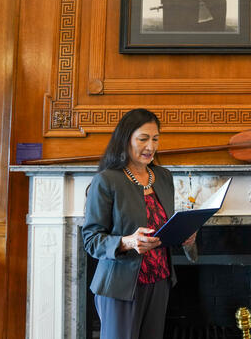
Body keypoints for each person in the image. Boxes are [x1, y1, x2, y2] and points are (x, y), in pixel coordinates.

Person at [83, 108, 198, 339]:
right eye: (143, 139)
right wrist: (127, 241)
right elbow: (91, 240)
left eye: (155, 139)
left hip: (160, 280)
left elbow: (164, 228)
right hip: (119, 286)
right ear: (125, 140)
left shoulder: (164, 177)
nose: (151, 146)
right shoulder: (106, 180)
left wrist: (186, 237)